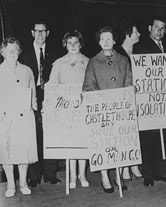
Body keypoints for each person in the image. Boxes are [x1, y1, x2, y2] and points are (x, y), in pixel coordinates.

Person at [82, 26, 132, 193]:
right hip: (102, 112)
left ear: (115, 41)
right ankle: (105, 176)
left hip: (120, 111)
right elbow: (88, 86)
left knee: (119, 143)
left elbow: (129, 83)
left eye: (109, 38)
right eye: (102, 39)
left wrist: (124, 99)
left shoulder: (124, 60)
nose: (106, 42)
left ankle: (118, 175)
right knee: (104, 145)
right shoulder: (93, 62)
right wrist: (102, 102)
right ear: (99, 41)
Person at [133, 16, 166, 187]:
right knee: (149, 138)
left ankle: (163, 171)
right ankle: (148, 174)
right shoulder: (140, 47)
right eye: (156, 27)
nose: (159, 31)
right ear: (150, 28)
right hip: (149, 100)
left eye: (162, 28)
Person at [19, 19, 61, 187]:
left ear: (48, 33)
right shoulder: (24, 53)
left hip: (51, 96)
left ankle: (51, 174)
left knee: (50, 134)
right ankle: (34, 176)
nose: (40, 34)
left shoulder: (56, 52)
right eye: (37, 31)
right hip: (30, 95)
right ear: (32, 33)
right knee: (33, 134)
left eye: (43, 31)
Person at [47, 30, 90, 188]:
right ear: (65, 44)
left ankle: (82, 174)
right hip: (66, 111)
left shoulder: (87, 61)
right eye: (69, 43)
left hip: (83, 109)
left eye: (76, 42)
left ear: (80, 44)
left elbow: (92, 84)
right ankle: (72, 176)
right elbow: (52, 86)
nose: (73, 46)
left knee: (83, 142)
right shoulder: (58, 63)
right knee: (71, 143)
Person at [0, 37, 37, 197]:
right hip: (5, 118)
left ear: (19, 51)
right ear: (2, 53)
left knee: (23, 152)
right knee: (7, 153)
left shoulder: (27, 70)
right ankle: (10, 185)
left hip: (24, 117)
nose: (12, 53)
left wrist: (35, 107)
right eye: (9, 51)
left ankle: (23, 183)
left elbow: (33, 93)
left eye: (15, 50)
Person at [116, 21, 143, 182]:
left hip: (138, 99)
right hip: (124, 99)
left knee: (136, 133)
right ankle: (125, 167)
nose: (139, 34)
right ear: (128, 35)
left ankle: (134, 164)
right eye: (136, 32)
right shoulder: (118, 54)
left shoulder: (139, 52)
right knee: (125, 133)